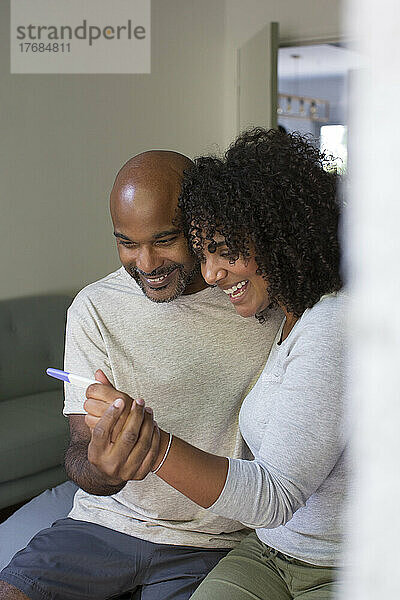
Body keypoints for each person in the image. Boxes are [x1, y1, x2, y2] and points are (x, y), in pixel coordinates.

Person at [76, 128, 347, 599]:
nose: (211, 273)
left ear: (279, 237)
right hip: (269, 552)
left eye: (227, 251)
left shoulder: (332, 326)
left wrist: (152, 445)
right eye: (205, 253)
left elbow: (274, 496)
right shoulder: (289, 319)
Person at [0, 149, 282, 600]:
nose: (146, 264)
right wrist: (104, 468)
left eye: (165, 239)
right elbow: (78, 455)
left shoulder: (250, 300)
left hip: (213, 543)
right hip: (103, 526)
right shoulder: (94, 308)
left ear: (199, 224)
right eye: (127, 243)